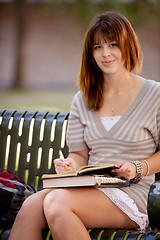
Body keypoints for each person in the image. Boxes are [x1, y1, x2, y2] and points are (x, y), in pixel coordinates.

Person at [9, 11, 160, 240]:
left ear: (128, 45)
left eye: (112, 44)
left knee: (56, 202)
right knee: (31, 206)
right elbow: (80, 154)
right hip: (88, 188)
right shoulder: (83, 99)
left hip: (129, 194)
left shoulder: (154, 94)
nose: (105, 53)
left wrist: (138, 167)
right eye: (97, 47)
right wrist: (70, 164)